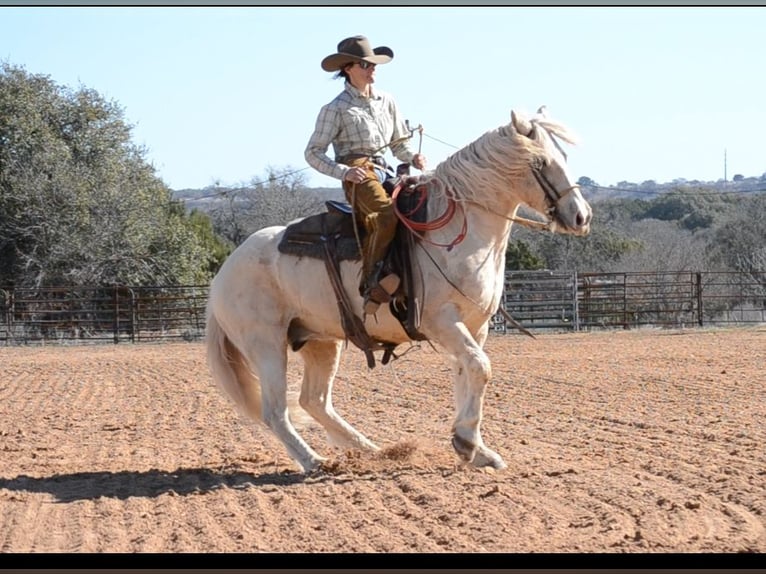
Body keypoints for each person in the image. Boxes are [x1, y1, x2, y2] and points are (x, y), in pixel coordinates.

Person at [305, 35, 427, 314]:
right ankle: (371, 281)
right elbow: (312, 153)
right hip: (358, 173)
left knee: (423, 206)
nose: (373, 69)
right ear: (348, 68)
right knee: (385, 214)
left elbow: (399, 144)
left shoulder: (388, 100)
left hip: (386, 169)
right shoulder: (334, 109)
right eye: (365, 64)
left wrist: (413, 157)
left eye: (373, 64)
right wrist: (345, 172)